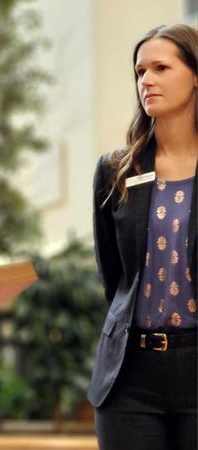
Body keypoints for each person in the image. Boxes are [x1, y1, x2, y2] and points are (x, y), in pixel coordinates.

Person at [90, 24, 198, 450]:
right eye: (140, 71)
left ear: (195, 75)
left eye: (161, 68)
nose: (146, 80)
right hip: (129, 376)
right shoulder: (116, 170)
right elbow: (114, 277)